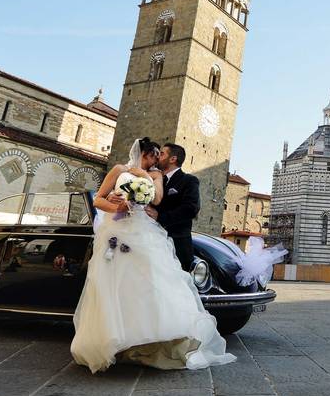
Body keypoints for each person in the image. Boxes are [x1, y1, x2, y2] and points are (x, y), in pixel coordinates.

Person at [71, 138, 235, 374]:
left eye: (160, 154)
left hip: (144, 231)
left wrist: (145, 181)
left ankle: (151, 337)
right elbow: (98, 199)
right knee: (114, 283)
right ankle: (114, 339)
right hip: (117, 230)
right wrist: (114, 205)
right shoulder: (119, 170)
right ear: (145, 153)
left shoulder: (156, 176)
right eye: (154, 154)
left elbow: (157, 199)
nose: (157, 159)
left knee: (151, 280)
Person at [146, 143, 200, 272]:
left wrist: (160, 217)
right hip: (152, 243)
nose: (158, 156)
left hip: (177, 245)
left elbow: (191, 208)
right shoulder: (152, 180)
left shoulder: (189, 180)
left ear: (173, 159)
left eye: (162, 153)